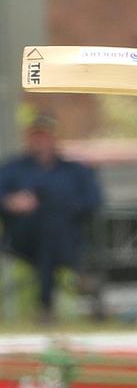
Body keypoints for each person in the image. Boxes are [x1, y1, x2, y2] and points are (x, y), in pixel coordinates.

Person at [0, 113, 103, 323]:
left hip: (68, 238)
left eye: (45, 135)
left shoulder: (75, 171)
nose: (40, 140)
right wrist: (11, 202)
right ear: (29, 137)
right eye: (36, 135)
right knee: (47, 228)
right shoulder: (12, 168)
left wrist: (63, 205)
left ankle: (44, 305)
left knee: (52, 225)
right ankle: (65, 294)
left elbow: (93, 201)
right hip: (23, 239)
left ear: (55, 138)